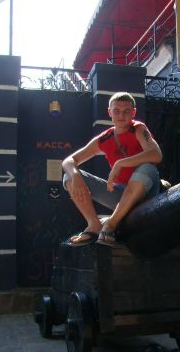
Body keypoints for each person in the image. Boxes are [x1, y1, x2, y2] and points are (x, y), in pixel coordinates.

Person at [62, 92, 162, 246]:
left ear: (133, 112)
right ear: (109, 112)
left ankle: (111, 224)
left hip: (145, 191)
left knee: (147, 167)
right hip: (121, 194)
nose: (121, 115)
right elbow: (69, 161)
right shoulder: (105, 138)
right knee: (68, 177)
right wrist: (75, 175)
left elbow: (156, 154)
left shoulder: (138, 129)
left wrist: (120, 163)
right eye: (116, 111)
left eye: (126, 111)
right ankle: (94, 224)